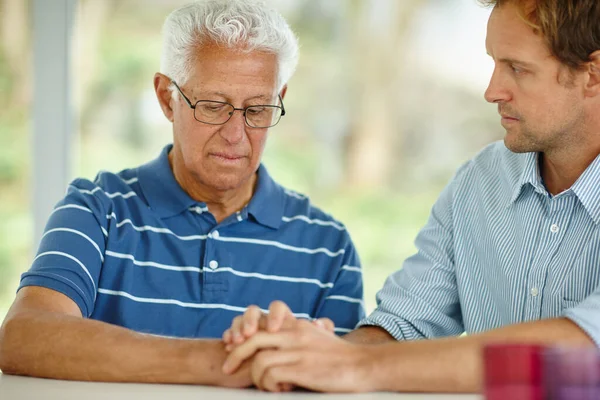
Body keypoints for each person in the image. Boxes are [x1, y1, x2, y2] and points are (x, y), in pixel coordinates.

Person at [221, 0, 600, 393]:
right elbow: (405, 326)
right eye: (494, 62)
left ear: (592, 74)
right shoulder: (479, 183)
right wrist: (302, 353)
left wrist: (355, 365)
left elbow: (587, 350)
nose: (492, 90)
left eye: (517, 69)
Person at [0, 0, 364, 387]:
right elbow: (23, 338)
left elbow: (340, 379)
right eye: (213, 105)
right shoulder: (94, 211)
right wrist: (227, 361)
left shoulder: (330, 248)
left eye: (257, 110)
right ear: (166, 97)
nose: (236, 134)